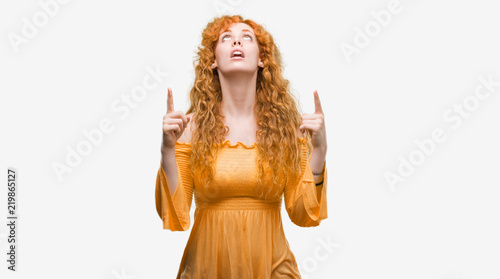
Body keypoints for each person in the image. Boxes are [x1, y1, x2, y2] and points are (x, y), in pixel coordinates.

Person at [155, 14, 328, 278]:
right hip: (206, 269)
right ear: (212, 61)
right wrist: (167, 149)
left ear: (262, 59)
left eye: (247, 37)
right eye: (226, 38)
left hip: (272, 270)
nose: (237, 41)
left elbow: (303, 215)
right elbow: (176, 216)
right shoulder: (190, 128)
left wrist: (319, 153)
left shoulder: (288, 130)